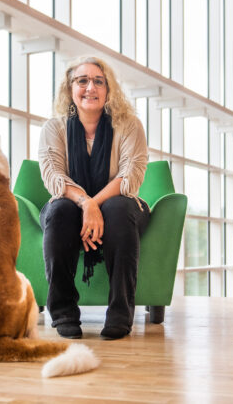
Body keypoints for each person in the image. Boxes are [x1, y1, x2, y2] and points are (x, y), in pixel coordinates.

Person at [38, 56, 150, 340]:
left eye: (98, 81)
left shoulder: (129, 125)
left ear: (109, 89)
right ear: (70, 88)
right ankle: (63, 313)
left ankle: (120, 314)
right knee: (60, 210)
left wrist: (95, 205)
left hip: (121, 208)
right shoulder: (54, 128)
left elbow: (130, 176)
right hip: (71, 207)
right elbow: (54, 178)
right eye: (82, 80)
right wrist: (86, 204)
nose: (90, 87)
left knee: (118, 207)